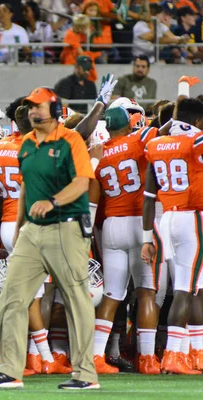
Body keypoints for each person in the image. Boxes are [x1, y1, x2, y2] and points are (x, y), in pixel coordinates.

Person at [0, 86, 99, 390]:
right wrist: (20, 228)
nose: (33, 111)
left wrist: (54, 201)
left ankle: (85, 374)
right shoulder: (26, 145)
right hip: (32, 231)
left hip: (66, 225)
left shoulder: (71, 140)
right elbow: (25, 190)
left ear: (56, 109)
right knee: (11, 295)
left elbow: (83, 182)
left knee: (76, 299)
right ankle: (9, 371)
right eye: (29, 107)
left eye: (38, 106)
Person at [88, 107, 160, 375]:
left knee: (112, 295)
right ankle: (148, 358)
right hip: (138, 223)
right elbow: (162, 130)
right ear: (130, 124)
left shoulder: (99, 151)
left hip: (110, 225)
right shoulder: (139, 139)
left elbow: (92, 201)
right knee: (146, 292)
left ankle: (96, 356)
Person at [142, 98, 203, 375]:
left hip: (167, 217)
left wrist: (147, 237)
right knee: (185, 290)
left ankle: (194, 353)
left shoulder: (155, 144)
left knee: (193, 287)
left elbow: (148, 197)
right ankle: (172, 356)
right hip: (192, 218)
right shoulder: (195, 141)